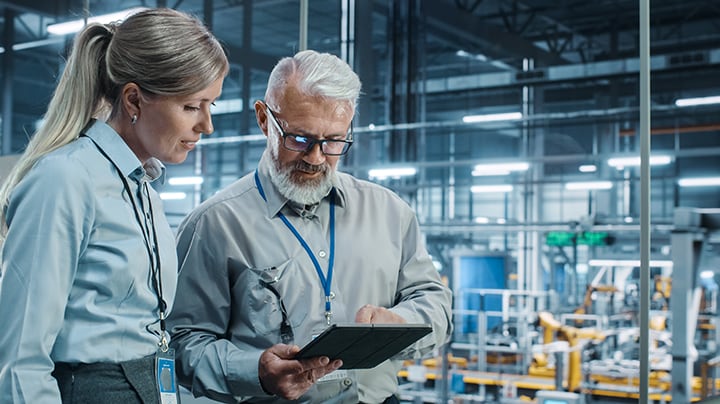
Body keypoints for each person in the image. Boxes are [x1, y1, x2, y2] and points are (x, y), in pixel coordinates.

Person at [167, 49, 453, 404]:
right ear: (263, 119)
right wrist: (253, 370)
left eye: (334, 141)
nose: (316, 158)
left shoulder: (390, 213)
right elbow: (179, 345)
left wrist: (401, 322)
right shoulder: (215, 225)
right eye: (299, 139)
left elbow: (435, 302)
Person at [0, 8, 228, 403]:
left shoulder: (144, 192)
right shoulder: (65, 179)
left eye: (211, 105)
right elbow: (20, 358)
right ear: (134, 98)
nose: (207, 125)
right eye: (192, 106)